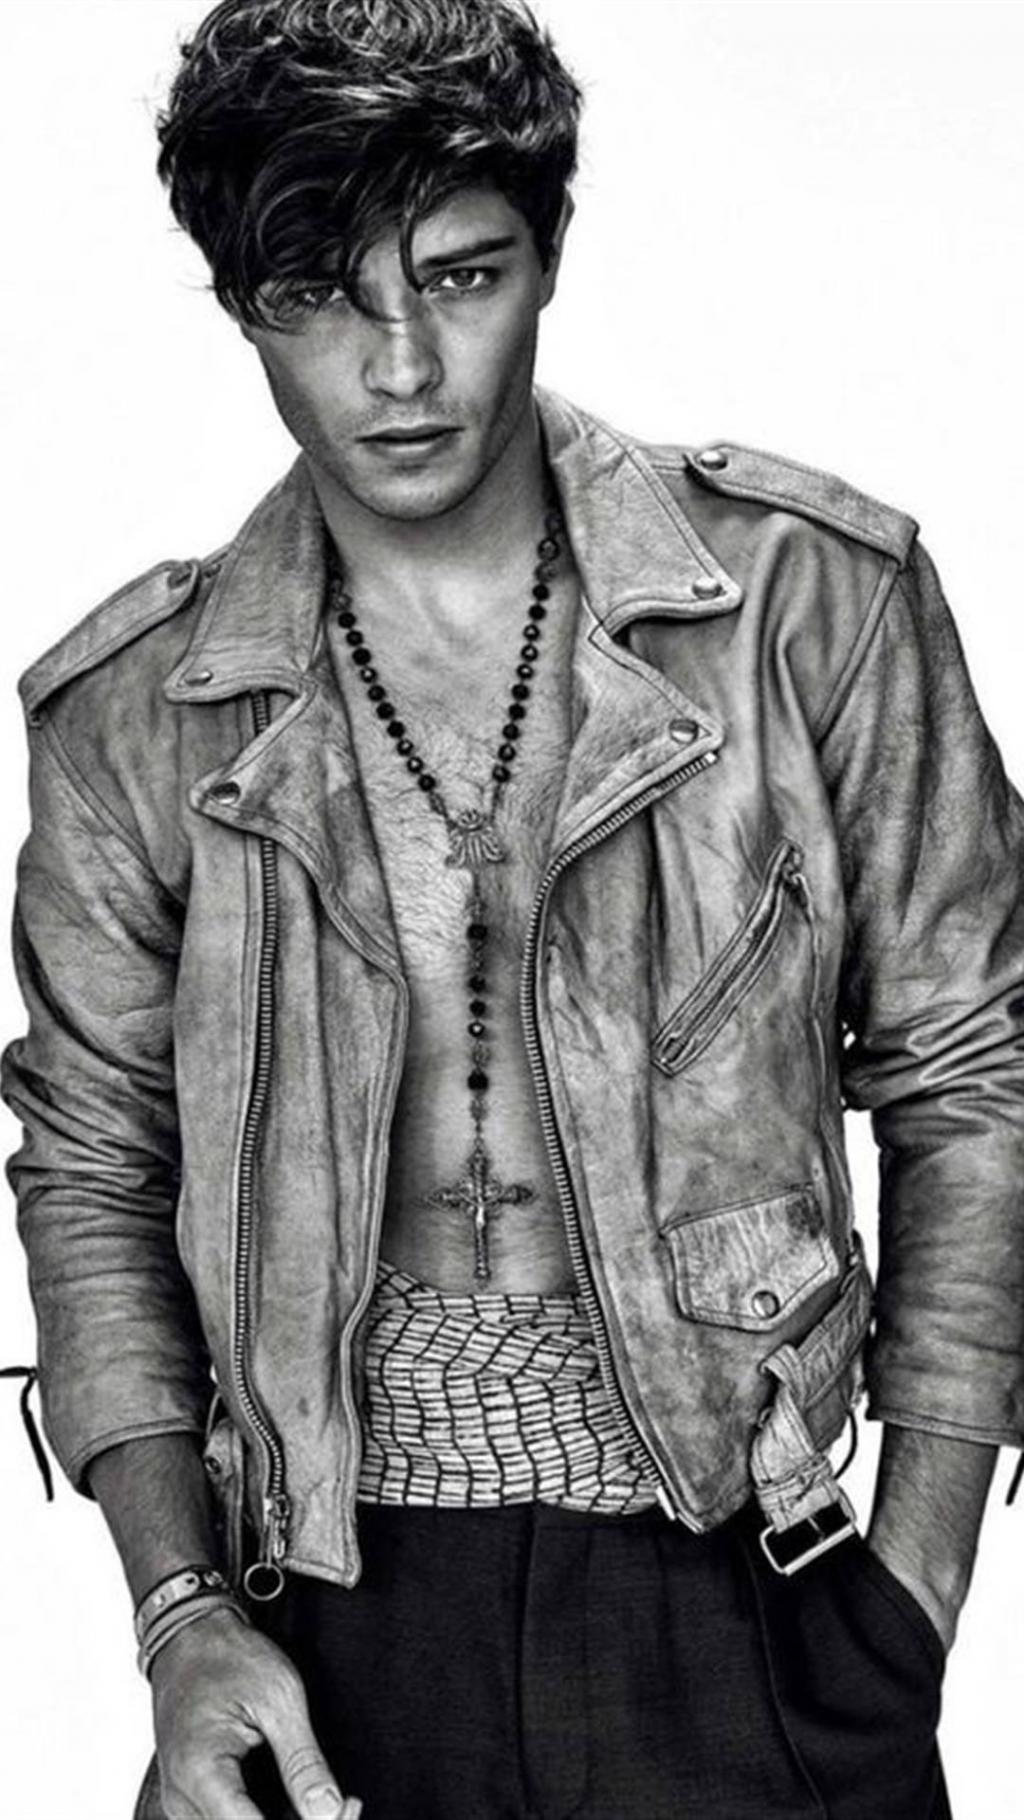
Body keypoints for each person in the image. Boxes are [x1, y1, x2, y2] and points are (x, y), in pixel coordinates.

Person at [3, 1, 1023, 1816]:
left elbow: (976, 1070)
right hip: (321, 1615)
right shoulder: (132, 720)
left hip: (752, 1583)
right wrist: (178, 1617)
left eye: (460, 277)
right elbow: (91, 1169)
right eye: (320, 299)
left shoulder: (813, 607)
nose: (402, 367)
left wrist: (912, 1592)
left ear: (549, 254)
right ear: (241, 307)